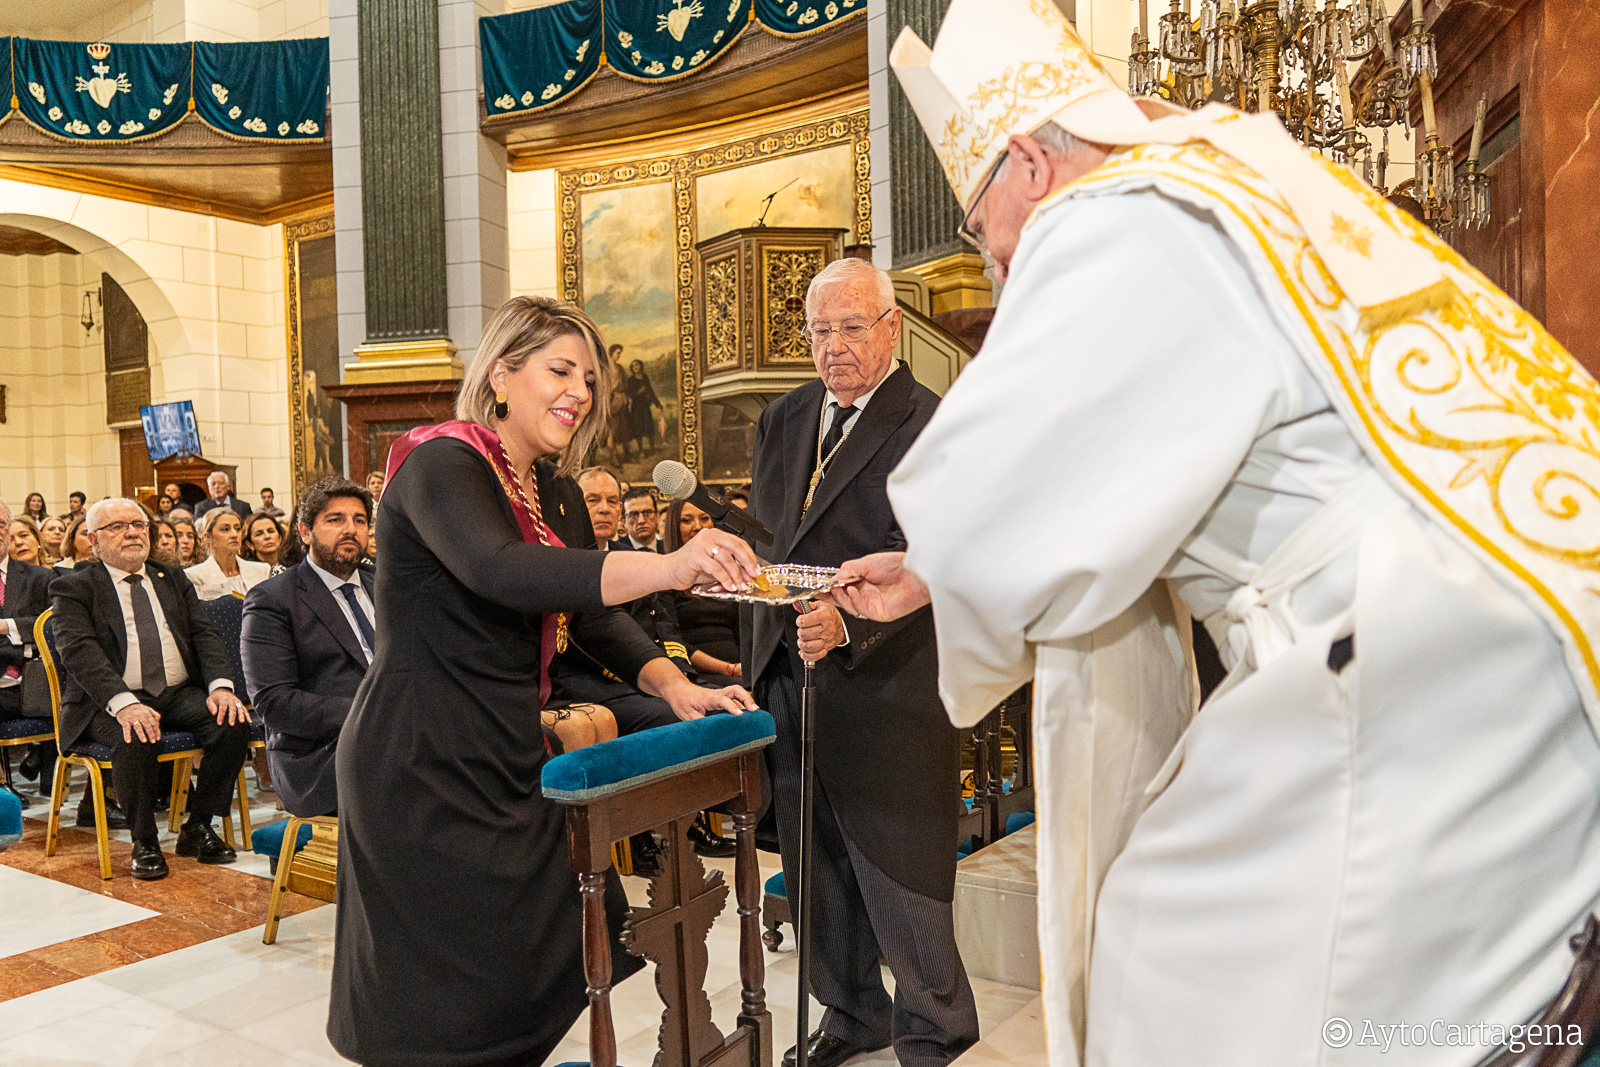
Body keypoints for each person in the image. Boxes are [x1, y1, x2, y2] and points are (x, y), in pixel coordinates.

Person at [828, 4, 1600, 1065]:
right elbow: (1104, 465)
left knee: (1165, 938)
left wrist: (936, 563)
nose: (994, 253)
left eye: (978, 222)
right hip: (1511, 611)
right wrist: (934, 570)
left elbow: (1001, 489)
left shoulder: (1109, 214)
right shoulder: (1231, 175)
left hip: (1407, 653)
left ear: (1029, 163)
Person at [328, 294, 764, 1067]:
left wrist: (672, 686)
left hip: (501, 742)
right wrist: (670, 565)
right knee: (440, 998)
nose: (581, 392)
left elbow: (587, 613)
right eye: (561, 369)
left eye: (590, 379)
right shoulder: (440, 460)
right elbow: (502, 569)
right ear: (501, 373)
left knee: (536, 961)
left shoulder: (548, 488)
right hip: (422, 752)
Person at [744, 256, 976, 1067]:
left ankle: (935, 1028)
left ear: (892, 327)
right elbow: (777, 540)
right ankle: (851, 1012)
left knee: (899, 869)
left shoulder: (934, 421)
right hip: (788, 676)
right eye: (818, 330)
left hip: (890, 679)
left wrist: (851, 627)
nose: (832, 346)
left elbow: (949, 557)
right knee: (813, 868)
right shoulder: (782, 418)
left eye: (850, 327)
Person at [50, 498, 251, 879]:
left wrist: (221, 687)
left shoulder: (172, 578)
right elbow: (80, 653)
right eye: (118, 527)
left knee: (232, 721)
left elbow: (203, 635)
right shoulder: (74, 587)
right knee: (137, 733)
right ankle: (145, 841)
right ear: (93, 540)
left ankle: (198, 827)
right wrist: (123, 704)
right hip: (105, 702)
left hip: (174, 691)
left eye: (139, 525)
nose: (132, 532)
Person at [241, 478, 374, 818]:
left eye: (359, 520)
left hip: (396, 733)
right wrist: (374, 714)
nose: (350, 529)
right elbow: (274, 702)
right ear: (304, 531)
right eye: (335, 519)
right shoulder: (273, 599)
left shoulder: (384, 584)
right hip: (318, 754)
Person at [663, 500, 741, 683]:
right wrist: (728, 668)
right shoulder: (666, 578)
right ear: (674, 527)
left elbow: (743, 632)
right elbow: (671, 641)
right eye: (687, 520)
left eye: (704, 518)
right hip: (695, 672)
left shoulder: (727, 573)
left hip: (738, 666)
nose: (697, 527)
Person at [0, 499, 52, 725]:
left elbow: (53, 628)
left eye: (1, 524)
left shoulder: (39, 578)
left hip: (29, 686)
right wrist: (25, 649)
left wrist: (6, 626)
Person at [185, 509, 270, 600]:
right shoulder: (194, 575)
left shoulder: (262, 570)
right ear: (208, 537)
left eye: (238, 529)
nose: (234, 534)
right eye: (225, 529)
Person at [577, 465, 625, 548]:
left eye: (612, 501)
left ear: (620, 511)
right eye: (592, 500)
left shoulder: (629, 556)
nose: (605, 509)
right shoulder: (559, 556)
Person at [617, 486, 662, 552]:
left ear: (657, 515)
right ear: (623, 521)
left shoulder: (671, 549)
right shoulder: (614, 551)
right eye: (633, 515)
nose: (641, 520)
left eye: (647, 513)